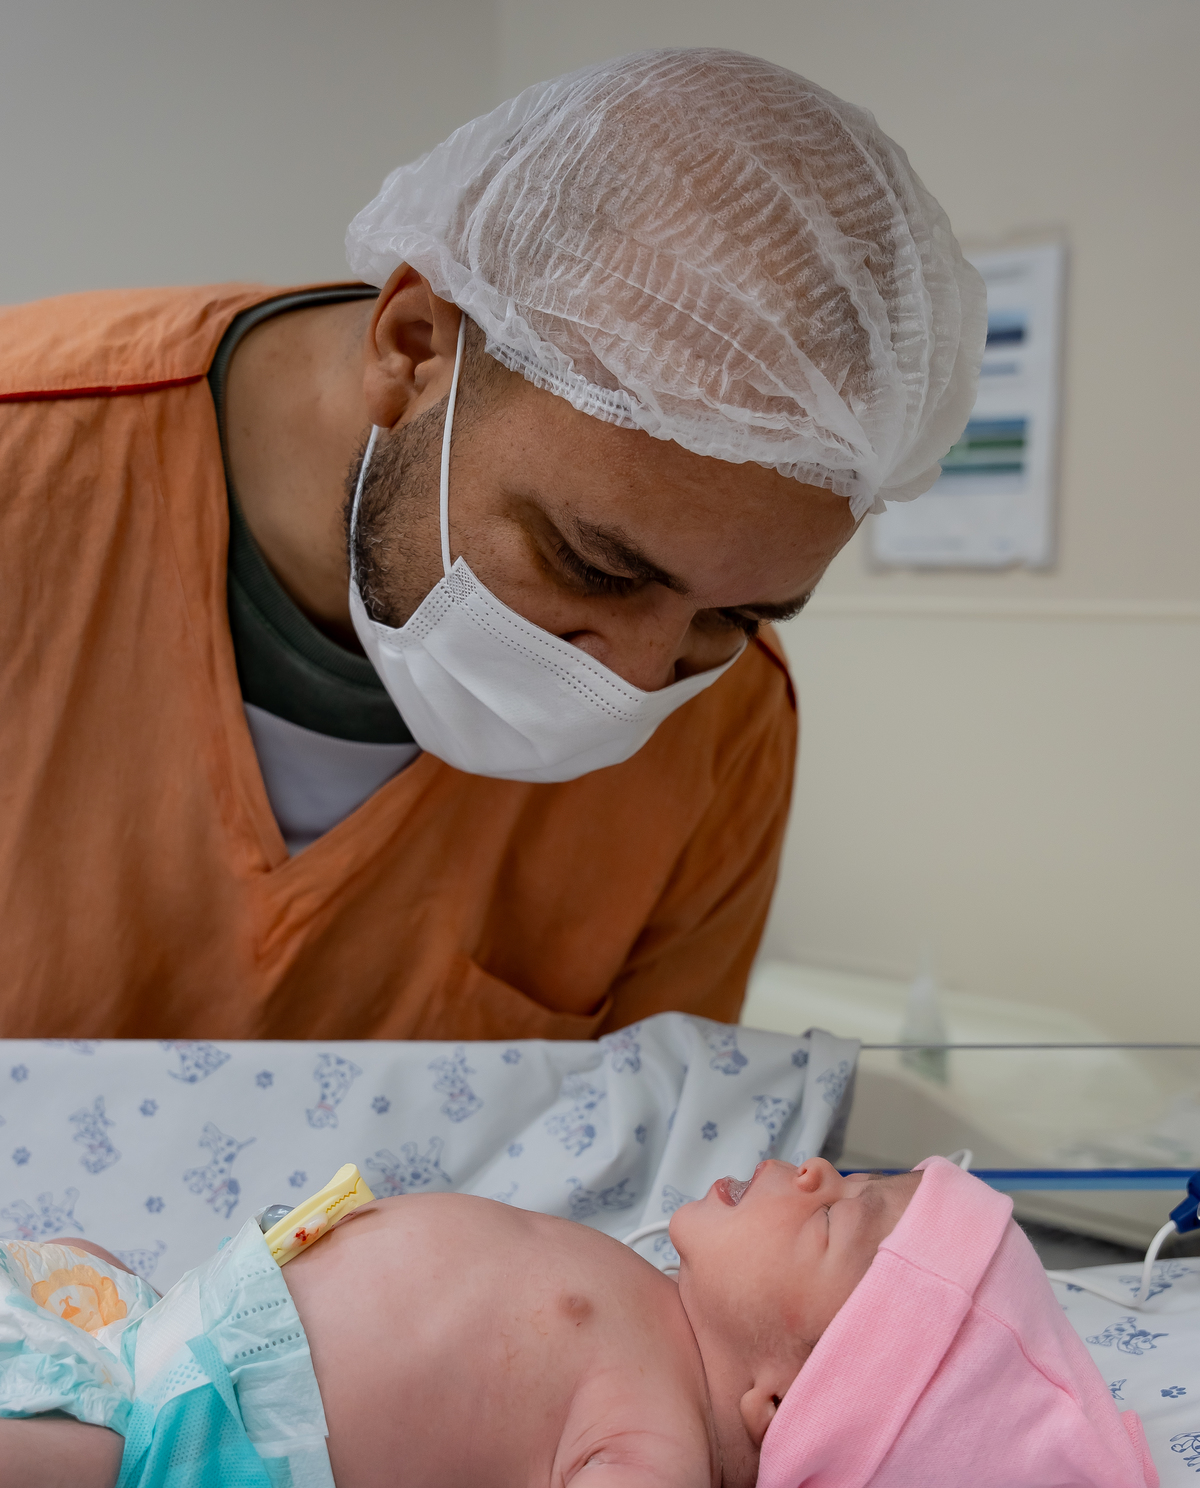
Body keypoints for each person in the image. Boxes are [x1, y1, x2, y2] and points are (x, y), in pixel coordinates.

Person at [0, 49, 985, 1041]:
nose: (641, 679)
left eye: (736, 613)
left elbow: (659, 1176)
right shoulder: (28, 473)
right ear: (417, 345)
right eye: (593, 566)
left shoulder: (729, 733)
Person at [0, 1157, 1155, 1488]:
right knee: (57, 1272)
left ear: (782, 1404)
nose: (813, 1169)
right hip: (143, 1322)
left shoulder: (652, 1447)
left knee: (52, 1467)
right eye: (851, 1177)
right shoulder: (648, 1300)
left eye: (837, 1219)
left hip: (173, 1458)